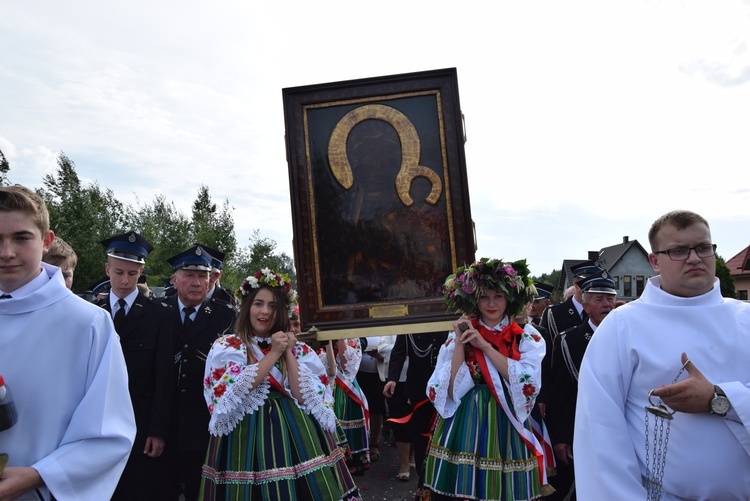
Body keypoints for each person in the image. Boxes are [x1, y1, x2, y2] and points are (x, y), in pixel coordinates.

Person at [574, 210, 750, 500]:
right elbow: (600, 433)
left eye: (703, 247)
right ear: (654, 261)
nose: (694, 258)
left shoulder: (745, 318)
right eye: (679, 250)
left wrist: (718, 399)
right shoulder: (622, 327)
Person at [0, 185, 135, 500]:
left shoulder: (87, 323)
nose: (6, 252)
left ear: (46, 241)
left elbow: (109, 432)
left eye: (21, 238)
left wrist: (39, 476)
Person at [199, 268, 361, 500]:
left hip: (295, 434)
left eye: (273, 306)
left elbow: (304, 395)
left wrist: (287, 352)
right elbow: (232, 394)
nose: (265, 312)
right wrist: (274, 352)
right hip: (244, 437)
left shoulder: (299, 350)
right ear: (247, 308)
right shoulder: (229, 346)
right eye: (258, 304)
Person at [421, 258, 552, 500]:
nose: (491, 304)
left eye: (498, 297)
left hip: (507, 419)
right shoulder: (461, 331)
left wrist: (485, 346)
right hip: (467, 418)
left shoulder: (526, 336)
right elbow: (451, 390)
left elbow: (525, 382)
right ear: (474, 300)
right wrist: (461, 342)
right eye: (484, 297)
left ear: (509, 300)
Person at [98, 231, 174, 501]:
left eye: (132, 273)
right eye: (119, 272)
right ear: (107, 269)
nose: (124, 280)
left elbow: (164, 379)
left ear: (141, 273)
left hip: (139, 424)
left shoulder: (159, 317)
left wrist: (157, 430)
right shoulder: (92, 314)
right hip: (97, 422)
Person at [160, 244, 236, 501]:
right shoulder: (158, 312)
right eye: (189, 275)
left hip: (203, 425)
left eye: (202, 276)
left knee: (201, 491)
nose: (196, 282)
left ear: (211, 279)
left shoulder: (226, 317)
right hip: (164, 423)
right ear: (175, 278)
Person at [545, 270, 617, 500]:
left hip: (621, 431)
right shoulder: (569, 340)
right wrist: (560, 438)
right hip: (582, 431)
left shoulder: (628, 335)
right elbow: (560, 394)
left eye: (610, 299)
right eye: (599, 299)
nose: (607, 305)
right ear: (585, 306)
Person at [378, 335, 414, 482]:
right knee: (399, 421)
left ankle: (412, 456)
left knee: (416, 420)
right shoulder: (393, 329)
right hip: (396, 379)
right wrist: (403, 351)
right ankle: (404, 464)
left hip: (417, 377)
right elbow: (382, 348)